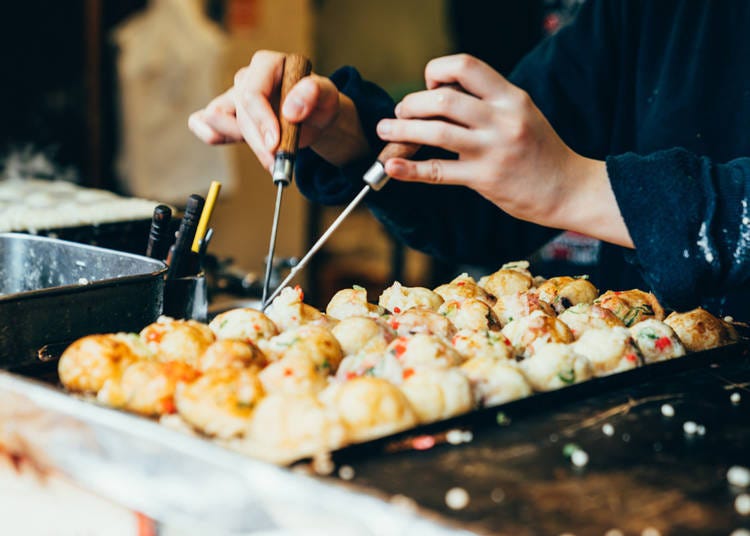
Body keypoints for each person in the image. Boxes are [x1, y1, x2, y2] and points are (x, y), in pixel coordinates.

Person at [189, 0, 750, 320]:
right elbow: (486, 202)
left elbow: (556, 183)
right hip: (647, 404)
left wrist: (578, 189)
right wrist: (346, 130)